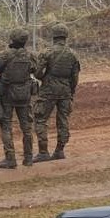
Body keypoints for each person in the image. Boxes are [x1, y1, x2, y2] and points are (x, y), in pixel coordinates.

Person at [33, 22, 80, 162]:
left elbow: (37, 73)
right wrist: (70, 91)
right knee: (63, 120)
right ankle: (60, 150)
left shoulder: (47, 52)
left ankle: (43, 151)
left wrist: (45, 78)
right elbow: (75, 76)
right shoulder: (73, 54)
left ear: (53, 36)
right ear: (65, 36)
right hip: (65, 89)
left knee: (40, 118)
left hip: (48, 89)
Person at [0, 30, 37, 168]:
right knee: (27, 127)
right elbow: (35, 69)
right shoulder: (30, 55)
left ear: (12, 40)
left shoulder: (5, 54)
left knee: (6, 126)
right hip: (24, 95)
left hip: (7, 94)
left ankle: (10, 158)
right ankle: (28, 158)